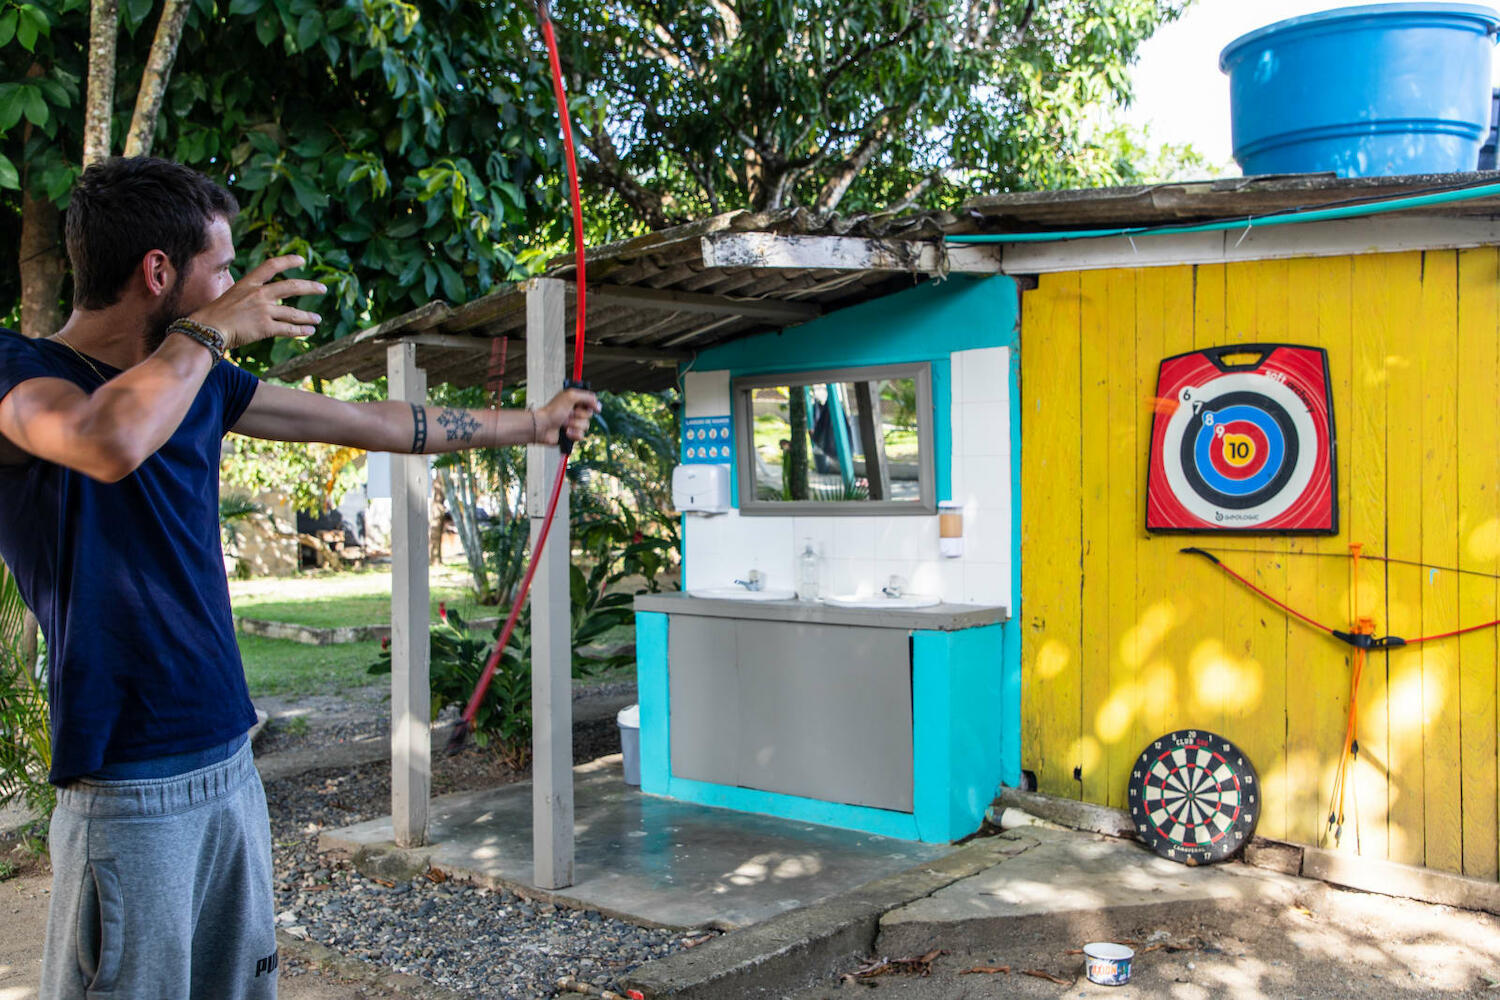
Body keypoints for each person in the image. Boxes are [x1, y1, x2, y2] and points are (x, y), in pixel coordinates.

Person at [0, 156, 599, 1000]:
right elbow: (106, 443)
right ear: (159, 272)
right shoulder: (22, 374)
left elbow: (372, 422)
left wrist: (532, 423)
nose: (237, 287)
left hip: (227, 758)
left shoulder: (202, 378)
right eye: (224, 268)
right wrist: (208, 332)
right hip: (126, 782)